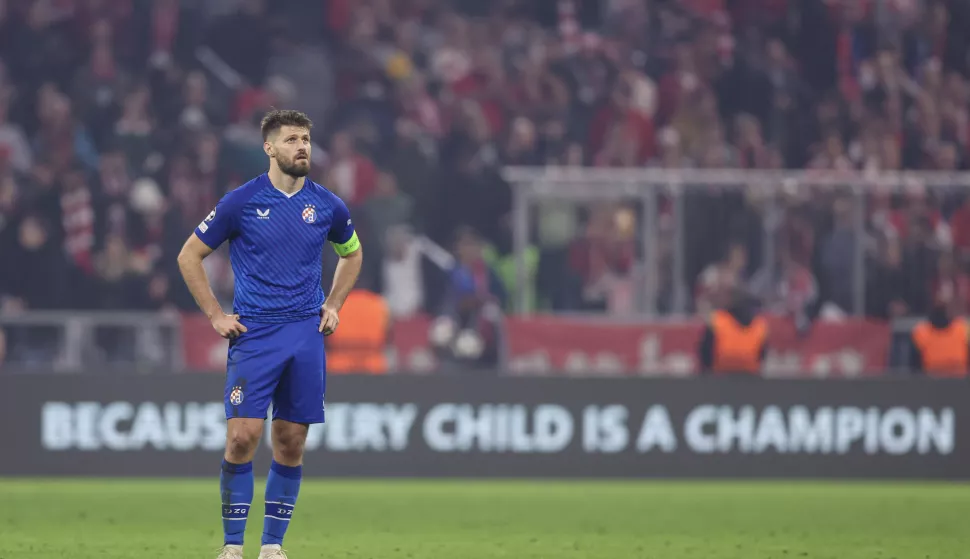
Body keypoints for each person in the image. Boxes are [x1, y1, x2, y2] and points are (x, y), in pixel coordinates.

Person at [177, 109, 363, 559]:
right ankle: (232, 546)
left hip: (304, 333)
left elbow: (352, 255)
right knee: (242, 437)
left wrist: (334, 303)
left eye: (306, 139)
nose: (302, 147)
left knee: (290, 440)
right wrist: (216, 315)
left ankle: (273, 547)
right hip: (255, 334)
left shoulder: (328, 205)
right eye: (292, 140)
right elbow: (189, 256)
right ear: (270, 148)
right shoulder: (240, 202)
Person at [697, 290, 768, 376]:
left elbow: (705, 353)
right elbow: (763, 354)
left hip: (718, 378)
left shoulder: (717, 320)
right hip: (750, 379)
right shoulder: (760, 325)